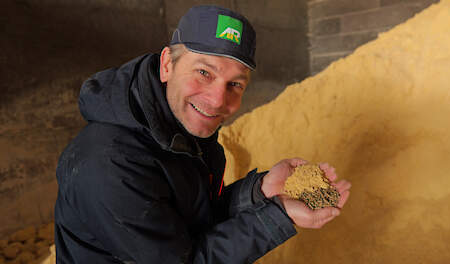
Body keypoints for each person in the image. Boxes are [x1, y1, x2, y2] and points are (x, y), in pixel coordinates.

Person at [54, 5, 351, 264]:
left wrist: (260, 192)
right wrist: (278, 215)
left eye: (234, 84)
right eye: (204, 73)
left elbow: (196, 220)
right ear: (168, 64)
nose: (218, 100)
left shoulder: (182, 130)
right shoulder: (111, 165)